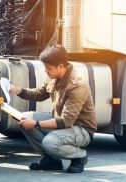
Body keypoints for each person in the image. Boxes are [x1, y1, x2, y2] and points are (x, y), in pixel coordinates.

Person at [9, 44, 97, 173]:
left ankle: (80, 156)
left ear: (61, 66)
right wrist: (18, 90)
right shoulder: (54, 77)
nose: (46, 71)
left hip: (81, 129)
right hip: (62, 123)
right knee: (23, 119)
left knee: (49, 142)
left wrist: (36, 124)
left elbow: (65, 121)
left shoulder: (77, 84)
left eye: (48, 68)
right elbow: (39, 94)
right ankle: (52, 160)